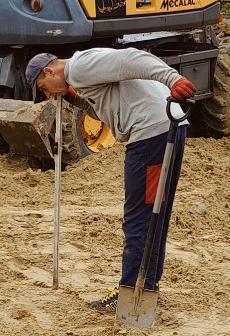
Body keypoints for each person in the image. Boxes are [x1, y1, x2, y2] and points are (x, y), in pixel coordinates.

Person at [26, 48, 196, 310]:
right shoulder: (81, 78)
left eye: (44, 87)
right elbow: (109, 108)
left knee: (139, 217)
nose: (48, 94)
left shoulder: (79, 66)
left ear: (48, 71)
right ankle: (146, 287)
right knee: (155, 212)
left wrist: (173, 79)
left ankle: (130, 292)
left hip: (150, 136)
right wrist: (76, 99)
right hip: (167, 128)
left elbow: (132, 58)